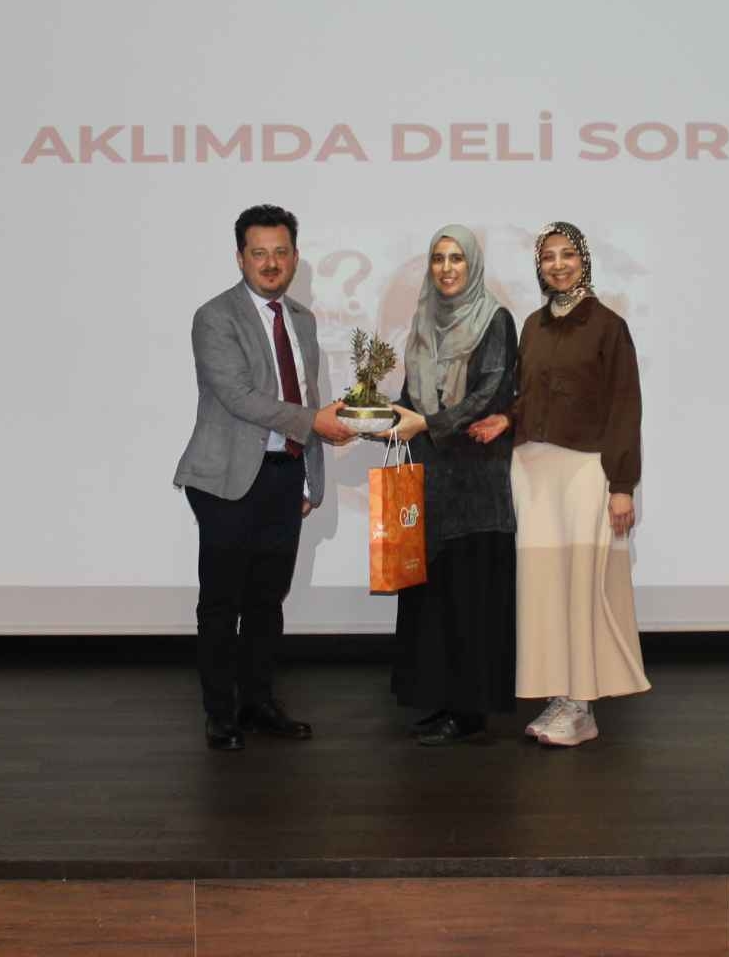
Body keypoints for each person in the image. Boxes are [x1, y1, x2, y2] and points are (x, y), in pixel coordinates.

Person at [173, 203, 356, 752]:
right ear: (240, 257)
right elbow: (239, 397)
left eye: (281, 252)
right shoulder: (215, 317)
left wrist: (309, 474)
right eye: (259, 253)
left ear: (295, 257)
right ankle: (220, 713)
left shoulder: (302, 318)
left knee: (267, 601)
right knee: (221, 603)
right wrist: (314, 423)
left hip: (283, 475)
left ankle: (258, 703)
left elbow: (307, 392)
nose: (271, 263)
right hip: (226, 480)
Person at [467, 220, 649, 747]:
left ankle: (582, 706)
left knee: (581, 587)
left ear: (583, 259)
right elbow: (530, 396)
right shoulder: (533, 325)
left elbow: (625, 408)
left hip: (585, 471)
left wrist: (622, 484)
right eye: (548, 257)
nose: (558, 264)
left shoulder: (608, 326)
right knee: (544, 587)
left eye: (567, 254)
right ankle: (560, 697)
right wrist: (507, 418)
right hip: (533, 470)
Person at [386, 225, 519, 746]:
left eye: (457, 258)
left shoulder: (495, 320)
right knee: (435, 600)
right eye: (438, 258)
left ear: (473, 266)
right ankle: (441, 699)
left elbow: (491, 394)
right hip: (430, 483)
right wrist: (380, 417)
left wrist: (427, 423)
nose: (446, 268)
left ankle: (469, 712)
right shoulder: (423, 321)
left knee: (470, 600)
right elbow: (411, 399)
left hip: (475, 483)